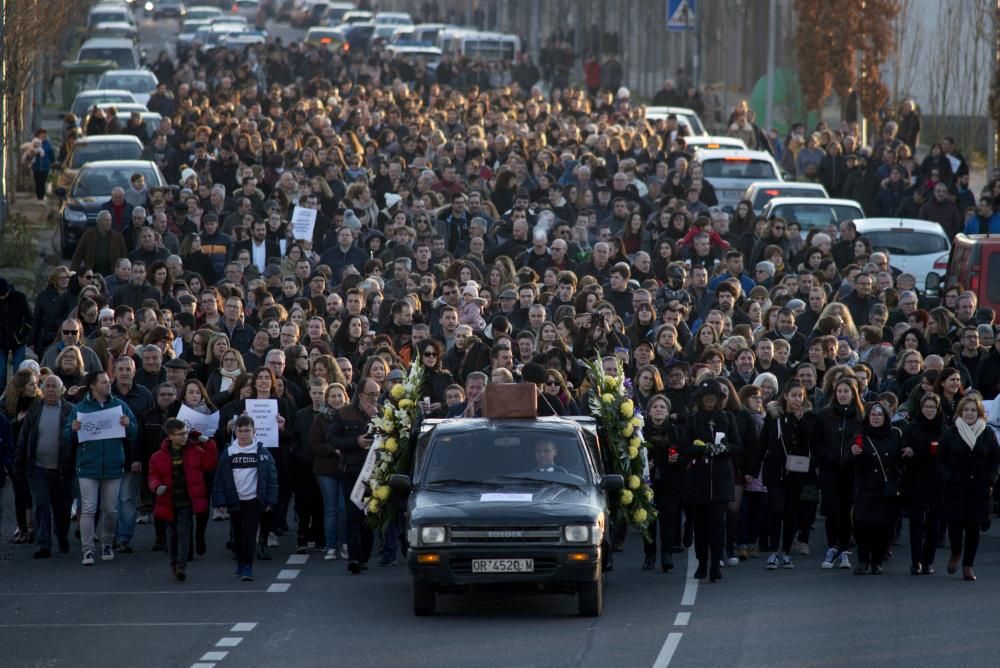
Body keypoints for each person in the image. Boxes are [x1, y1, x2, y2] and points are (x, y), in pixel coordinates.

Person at [63, 370, 139, 566]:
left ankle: (107, 544)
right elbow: (66, 435)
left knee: (111, 510)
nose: (108, 384)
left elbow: (134, 431)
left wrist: (128, 424)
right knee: (88, 508)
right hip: (88, 465)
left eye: (108, 381)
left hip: (113, 465)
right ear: (92, 386)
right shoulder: (80, 408)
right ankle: (87, 550)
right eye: (104, 382)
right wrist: (72, 429)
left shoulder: (119, 405)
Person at [749, 380, 815, 571]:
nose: (796, 399)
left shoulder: (806, 416)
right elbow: (763, 443)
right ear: (785, 396)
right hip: (775, 471)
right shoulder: (773, 415)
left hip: (796, 472)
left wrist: (800, 419)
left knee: (791, 512)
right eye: (793, 395)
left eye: (800, 396)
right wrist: (752, 471)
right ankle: (773, 552)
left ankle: (785, 552)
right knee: (776, 509)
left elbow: (808, 439)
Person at [680, 378, 740, 583]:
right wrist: (702, 448)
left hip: (721, 479)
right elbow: (684, 447)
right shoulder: (694, 419)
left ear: (718, 399)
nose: (709, 400)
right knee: (700, 526)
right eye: (705, 397)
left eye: (712, 397)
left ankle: (716, 564)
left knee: (718, 525)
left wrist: (724, 448)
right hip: (699, 480)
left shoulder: (727, 418)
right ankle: (701, 563)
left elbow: (737, 445)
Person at [937, 395, 1000, 581]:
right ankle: (956, 552)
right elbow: (941, 458)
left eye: (973, 410)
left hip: (979, 487)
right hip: (955, 487)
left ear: (979, 412)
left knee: (974, 528)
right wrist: (947, 477)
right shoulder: (951, 433)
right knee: (955, 526)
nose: (970, 413)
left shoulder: (988, 433)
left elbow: (995, 459)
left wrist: (991, 479)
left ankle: (968, 565)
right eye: (966, 410)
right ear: (961, 412)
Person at [148, 418, 217, 581]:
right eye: (180, 434)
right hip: (168, 499)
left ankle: (181, 565)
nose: (185, 437)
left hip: (187, 498)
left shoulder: (196, 451)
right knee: (171, 532)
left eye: (186, 433)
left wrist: (207, 441)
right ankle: (173, 562)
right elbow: (153, 476)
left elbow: (209, 464)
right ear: (170, 436)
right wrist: (157, 486)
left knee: (184, 531)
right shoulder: (157, 457)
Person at [14, 375, 74, 558]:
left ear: (61, 390)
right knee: (41, 505)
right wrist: (19, 465)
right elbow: (23, 439)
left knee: (63, 509)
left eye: (54, 386)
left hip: (62, 470)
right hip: (38, 468)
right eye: (46, 386)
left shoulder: (70, 410)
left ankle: (62, 536)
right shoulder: (34, 410)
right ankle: (44, 543)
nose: (50, 390)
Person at [213, 415, 278, 582]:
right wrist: (219, 502)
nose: (243, 434)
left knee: (249, 535)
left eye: (247, 430)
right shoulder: (229, 452)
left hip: (254, 501)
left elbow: (271, 478)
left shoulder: (262, 452)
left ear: (254, 431)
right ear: (235, 432)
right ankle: (241, 563)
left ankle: (247, 566)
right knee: (238, 535)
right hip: (235, 501)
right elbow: (220, 478)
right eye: (240, 430)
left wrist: (270, 500)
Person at [327, 377, 379, 574]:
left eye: (376, 394)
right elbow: (333, 439)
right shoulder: (344, 413)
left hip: (375, 474)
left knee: (369, 515)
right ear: (360, 394)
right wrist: (355, 442)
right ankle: (355, 558)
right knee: (352, 515)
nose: (374, 398)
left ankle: (364, 556)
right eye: (370, 394)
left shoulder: (382, 412)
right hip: (351, 471)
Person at [813, 376, 863, 570]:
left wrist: (854, 456)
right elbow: (816, 441)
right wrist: (826, 457)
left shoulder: (860, 415)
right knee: (832, 510)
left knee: (845, 511)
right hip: (829, 470)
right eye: (840, 391)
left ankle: (843, 550)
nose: (842, 395)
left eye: (846, 391)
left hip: (851, 471)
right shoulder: (824, 415)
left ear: (853, 394)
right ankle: (831, 547)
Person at [849, 401, 903, 575]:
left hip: (887, 487)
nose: (876, 417)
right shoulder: (861, 435)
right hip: (866, 486)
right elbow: (849, 461)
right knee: (863, 526)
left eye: (880, 414)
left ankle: (877, 560)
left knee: (884, 526)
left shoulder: (895, 434)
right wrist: (853, 453)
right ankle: (863, 559)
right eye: (873, 414)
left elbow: (901, 460)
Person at [900, 393, 945, 575]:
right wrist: (923, 454)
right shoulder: (911, 428)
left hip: (937, 481)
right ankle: (916, 560)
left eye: (932, 407)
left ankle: (929, 561)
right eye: (926, 407)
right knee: (917, 523)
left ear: (938, 409)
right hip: (916, 480)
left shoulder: (945, 430)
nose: (929, 410)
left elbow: (945, 456)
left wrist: (918, 453)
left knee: (934, 524)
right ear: (921, 408)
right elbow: (905, 453)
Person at [643, 394, 683, 572]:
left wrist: (678, 458)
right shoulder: (641, 431)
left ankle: (667, 554)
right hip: (647, 481)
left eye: (662, 407)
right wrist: (645, 463)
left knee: (668, 519)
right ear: (649, 411)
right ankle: (649, 555)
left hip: (670, 480)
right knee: (648, 519)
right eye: (655, 407)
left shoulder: (675, 431)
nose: (658, 409)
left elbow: (685, 454)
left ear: (668, 412)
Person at [0, 278, 33, 392]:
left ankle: (17, 396)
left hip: (18, 341)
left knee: (19, 373)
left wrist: (21, 335)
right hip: (1, 342)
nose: (2, 298)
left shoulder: (20, 297)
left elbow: (29, 319)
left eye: (3, 295)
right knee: (1, 372)